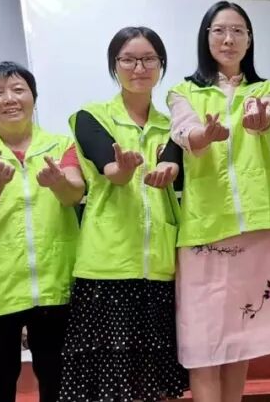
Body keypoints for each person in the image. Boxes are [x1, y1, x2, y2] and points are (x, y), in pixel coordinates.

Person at [168, 1, 270, 401]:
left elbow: (269, 116)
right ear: (205, 38)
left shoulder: (265, 90)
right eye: (219, 30)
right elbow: (184, 131)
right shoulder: (183, 92)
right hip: (206, 225)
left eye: (238, 31)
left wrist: (261, 120)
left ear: (249, 40)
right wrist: (204, 137)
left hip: (257, 223)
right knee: (202, 343)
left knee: (241, 338)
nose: (228, 39)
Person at [59, 26, 189, 401]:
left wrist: (168, 170)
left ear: (161, 65)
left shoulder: (173, 125)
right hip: (108, 264)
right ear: (114, 65)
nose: (139, 68)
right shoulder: (90, 117)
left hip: (159, 265)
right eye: (128, 60)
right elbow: (112, 173)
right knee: (108, 384)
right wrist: (126, 168)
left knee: (152, 381)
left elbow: (175, 171)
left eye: (148, 59)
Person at [0, 61, 83, 402]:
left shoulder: (61, 146)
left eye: (18, 89)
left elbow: (74, 195)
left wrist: (58, 183)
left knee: (61, 385)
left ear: (33, 98)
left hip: (57, 283)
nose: (9, 99)